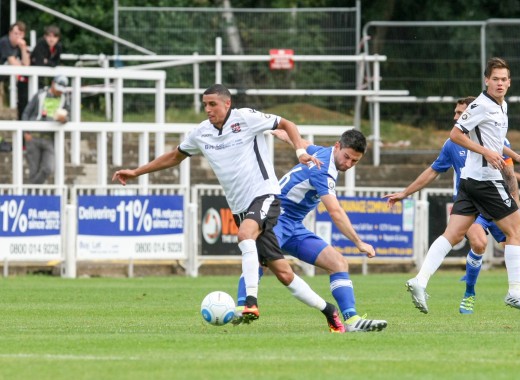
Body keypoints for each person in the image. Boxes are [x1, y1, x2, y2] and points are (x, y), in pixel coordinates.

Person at [112, 84, 346, 332]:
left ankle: (250, 303)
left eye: (212, 104)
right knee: (284, 273)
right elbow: (174, 156)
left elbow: (286, 124)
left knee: (245, 234)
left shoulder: (245, 118)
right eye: (205, 105)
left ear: (227, 104)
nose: (208, 109)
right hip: (240, 207)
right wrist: (137, 171)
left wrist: (300, 150)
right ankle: (329, 311)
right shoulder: (201, 132)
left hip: (265, 194)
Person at [393, 58, 520, 315]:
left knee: (452, 234)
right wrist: (487, 153)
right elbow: (456, 134)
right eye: (495, 79)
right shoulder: (481, 105)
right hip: (485, 181)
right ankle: (515, 292)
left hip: (470, 181)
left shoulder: (500, 105)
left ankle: (420, 280)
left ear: (510, 82)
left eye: (504, 79)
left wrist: (514, 156)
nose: (500, 83)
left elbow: (491, 140)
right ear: (486, 80)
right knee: (516, 231)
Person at [233, 129, 388, 332]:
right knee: (260, 262)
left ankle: (352, 321)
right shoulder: (323, 170)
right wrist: (358, 242)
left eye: (354, 161)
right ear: (337, 146)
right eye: (347, 157)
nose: (348, 164)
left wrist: (285, 134)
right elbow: (335, 212)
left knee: (338, 263)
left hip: (294, 225)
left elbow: (302, 143)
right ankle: (242, 307)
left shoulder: (323, 153)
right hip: (275, 218)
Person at [21, 75, 70, 184]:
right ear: (53, 84)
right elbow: (26, 113)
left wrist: (64, 119)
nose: (59, 92)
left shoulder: (63, 99)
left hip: (49, 138)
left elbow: (68, 116)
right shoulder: (40, 94)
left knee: (48, 168)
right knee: (33, 170)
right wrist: (26, 132)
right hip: (33, 137)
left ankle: (33, 191)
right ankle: (34, 195)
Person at [0, 21, 30, 119]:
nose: (18, 36)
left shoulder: (20, 46)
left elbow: (26, 64)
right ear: (10, 33)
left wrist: (23, 48)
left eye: (20, 34)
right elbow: (13, 62)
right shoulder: (4, 42)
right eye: (15, 33)